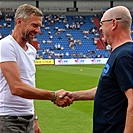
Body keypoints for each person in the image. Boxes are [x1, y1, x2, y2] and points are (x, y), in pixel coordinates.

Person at [60, 6, 133, 133]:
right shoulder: (120, 53)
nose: (100, 29)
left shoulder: (123, 56)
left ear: (114, 23)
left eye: (102, 24)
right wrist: (74, 95)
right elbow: (109, 90)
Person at [0, 4, 72, 133]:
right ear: (19, 21)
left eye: (39, 26)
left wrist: (35, 118)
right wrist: (53, 96)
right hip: (8, 119)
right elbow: (16, 88)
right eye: (34, 25)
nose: (38, 31)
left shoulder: (31, 50)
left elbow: (29, 84)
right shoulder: (5, 46)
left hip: (28, 118)